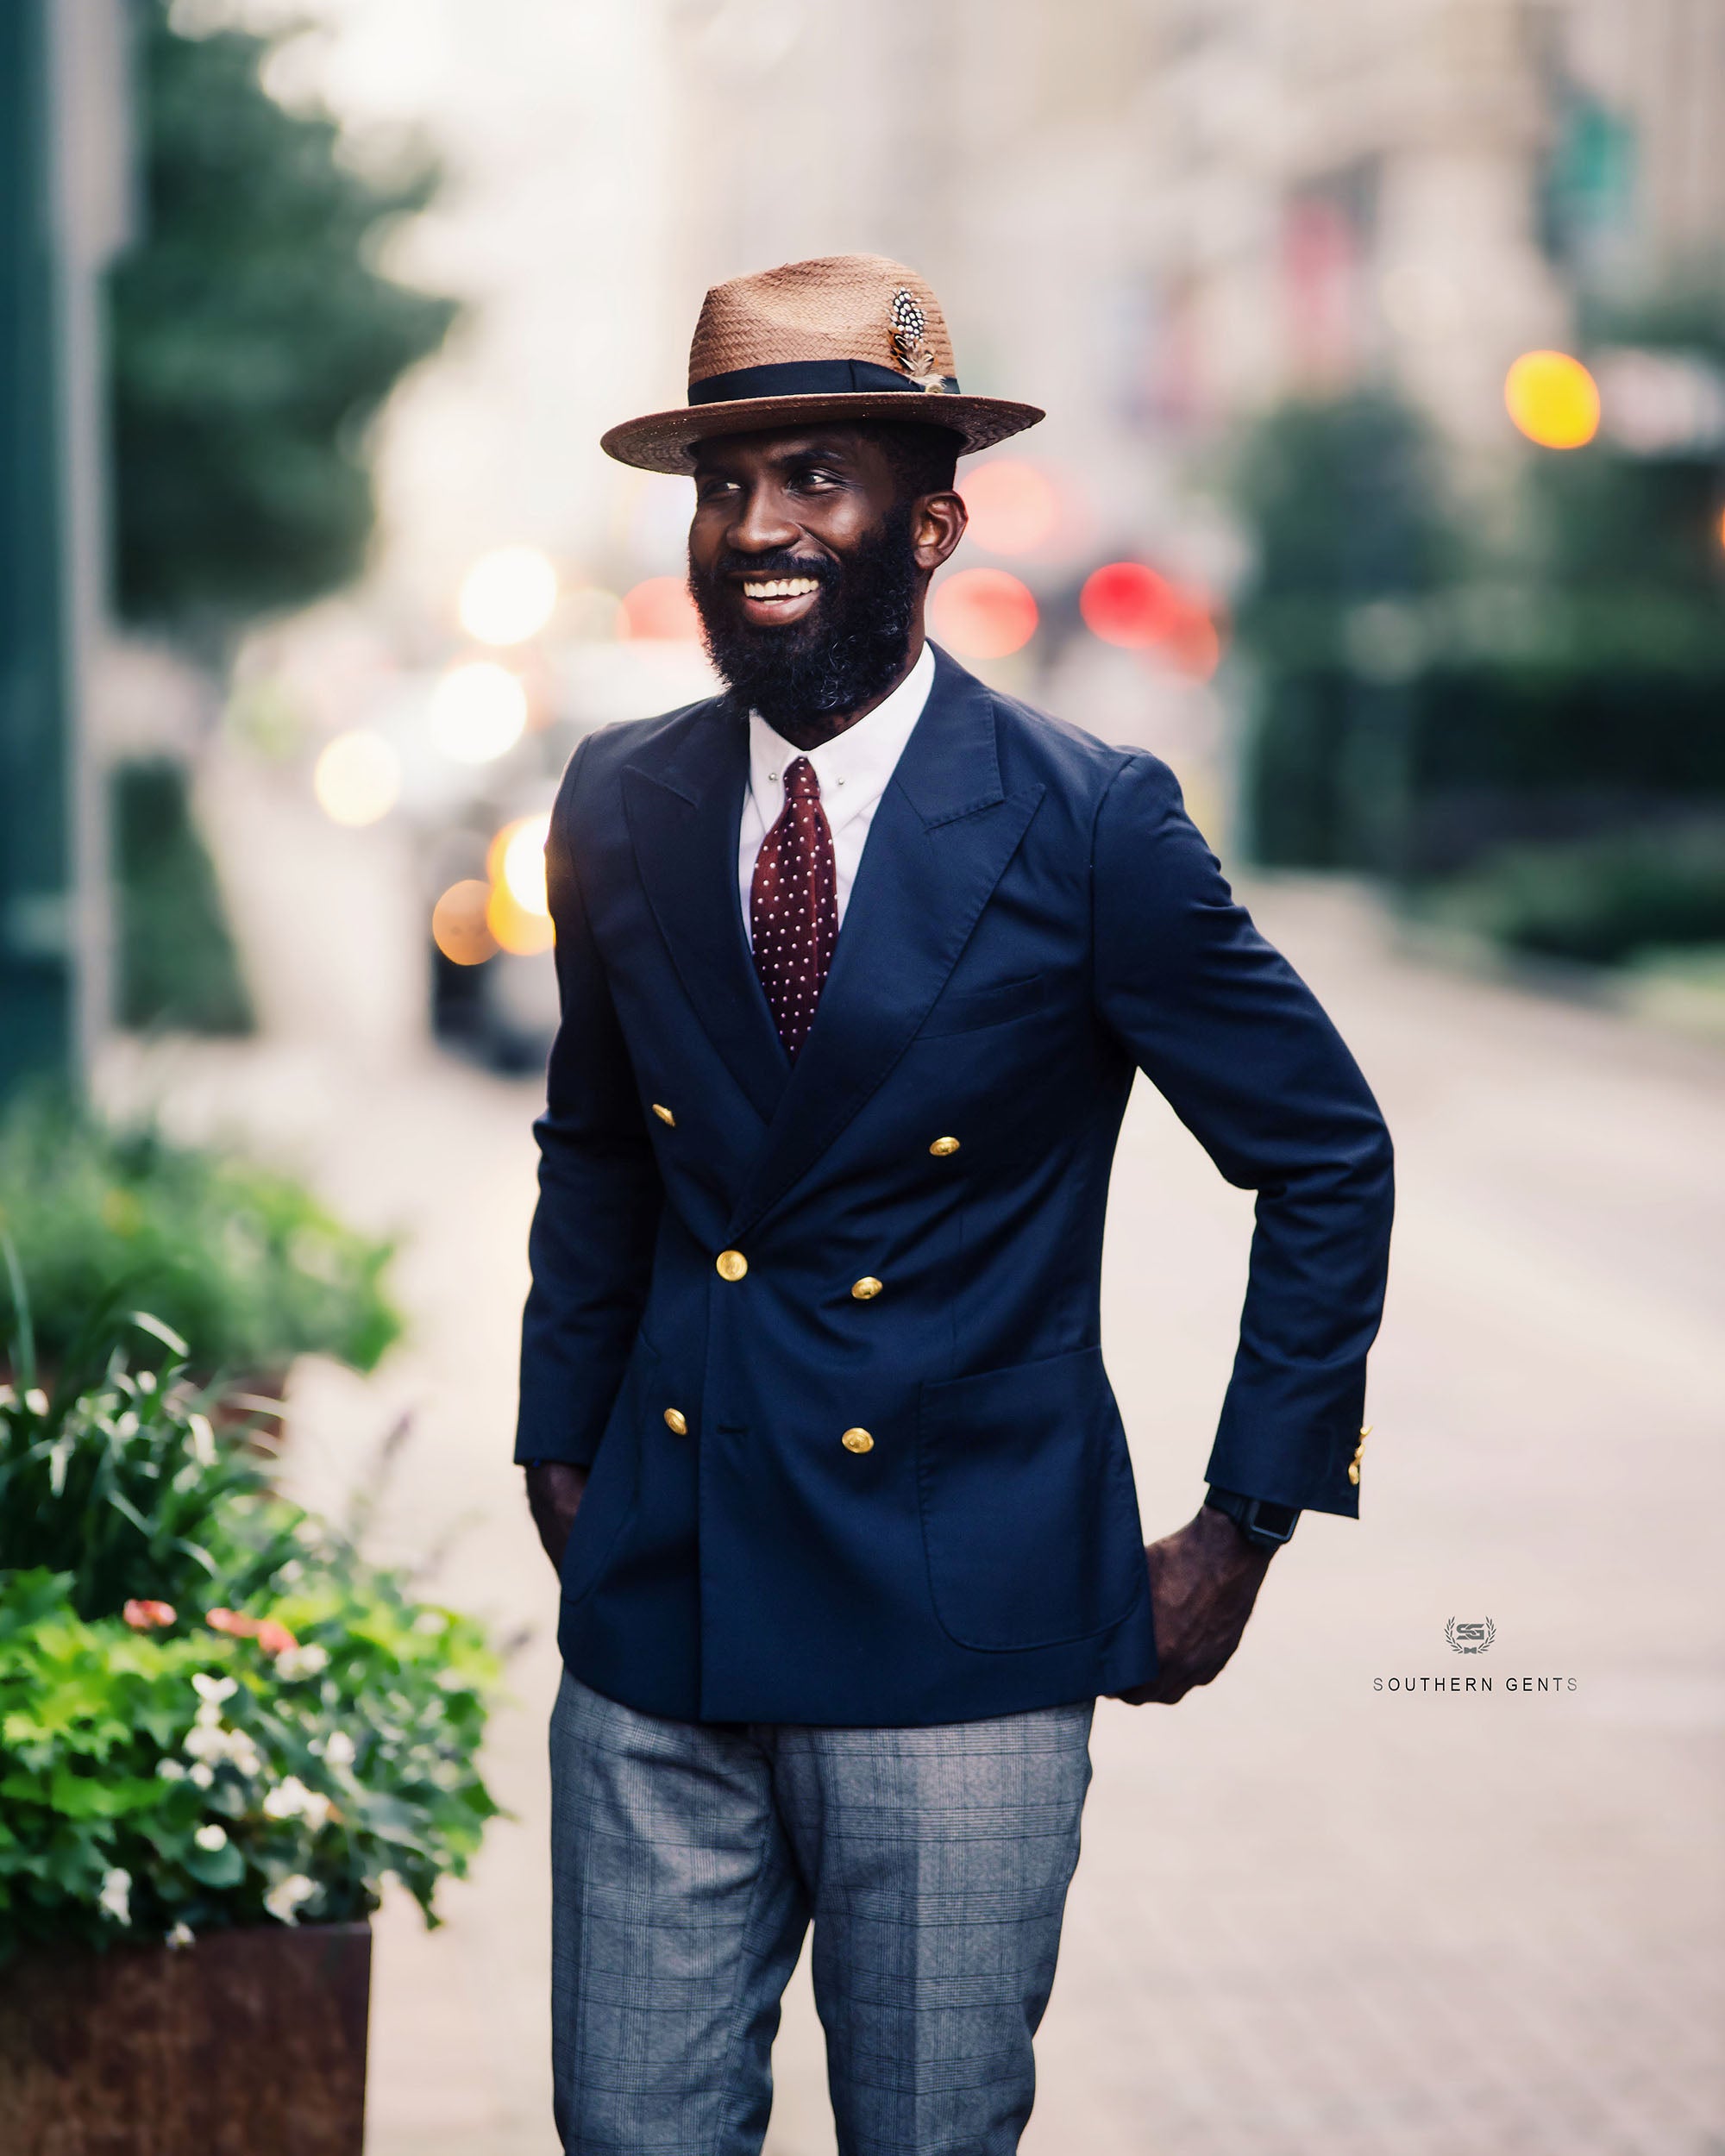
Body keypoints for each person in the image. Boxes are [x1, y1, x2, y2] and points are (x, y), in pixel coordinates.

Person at [518, 253, 1393, 2156]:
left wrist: (1245, 1518)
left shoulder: (1088, 821)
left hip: (962, 1635)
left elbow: (1324, 1152)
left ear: (928, 522)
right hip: (660, 1623)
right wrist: (555, 1449)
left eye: (815, 474)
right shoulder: (619, 799)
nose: (760, 524)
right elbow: (595, 1142)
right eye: (726, 481)